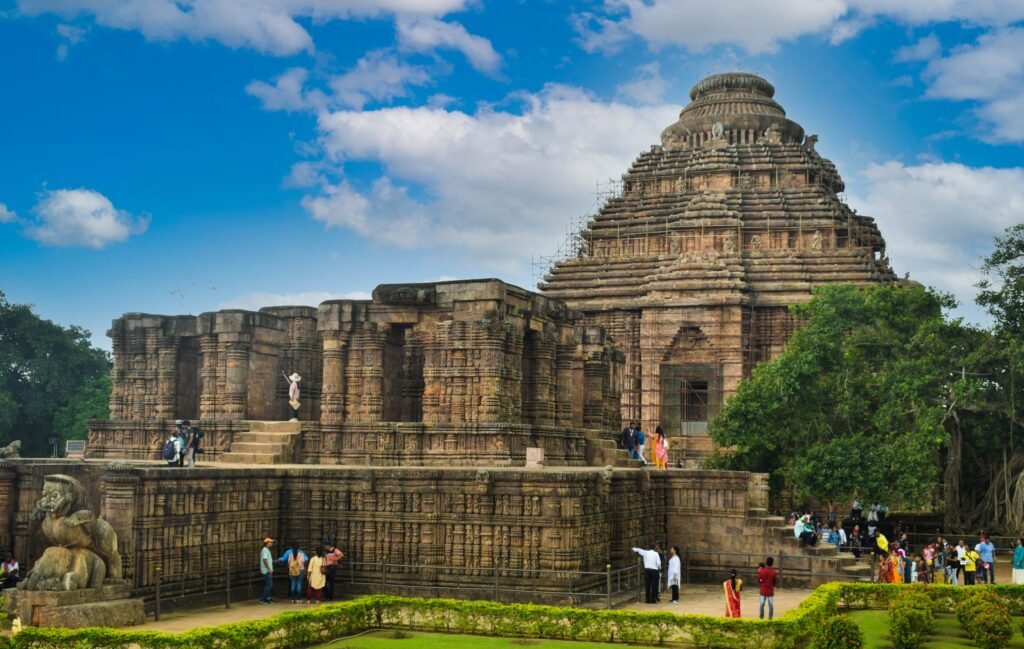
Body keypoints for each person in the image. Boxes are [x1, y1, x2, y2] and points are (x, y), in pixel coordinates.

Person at [259, 537, 275, 604]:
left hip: (267, 570)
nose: (272, 543)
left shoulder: (266, 550)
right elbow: (264, 560)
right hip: (266, 570)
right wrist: (269, 569)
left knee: (268, 584)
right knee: (269, 584)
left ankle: (267, 598)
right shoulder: (265, 550)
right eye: (270, 542)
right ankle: (263, 598)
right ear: (267, 543)